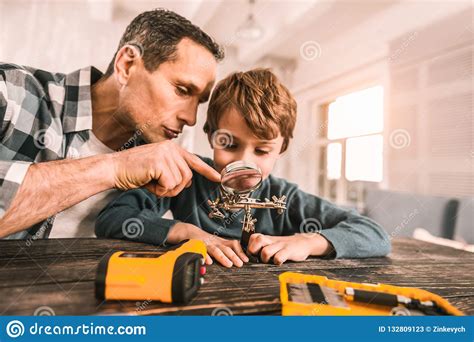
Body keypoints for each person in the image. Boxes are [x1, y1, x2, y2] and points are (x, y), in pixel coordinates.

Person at [96, 69, 391, 267]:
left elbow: (375, 234)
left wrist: (308, 241)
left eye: (262, 150)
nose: (244, 161)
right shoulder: (187, 177)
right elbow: (113, 218)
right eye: (230, 144)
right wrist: (184, 231)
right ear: (210, 135)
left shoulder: (286, 198)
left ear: (282, 149)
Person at [0, 9, 224, 239]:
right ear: (126, 65)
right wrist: (114, 168)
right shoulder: (11, 92)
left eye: (199, 102)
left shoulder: (159, 163)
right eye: (182, 90)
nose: (191, 118)